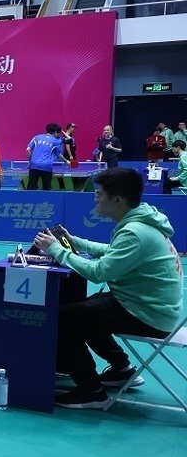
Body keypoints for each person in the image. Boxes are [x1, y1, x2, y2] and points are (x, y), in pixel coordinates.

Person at [32, 168, 183, 409]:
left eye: (99, 194)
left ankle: (91, 391)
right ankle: (122, 369)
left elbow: (98, 272)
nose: (95, 199)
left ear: (118, 200)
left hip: (150, 315)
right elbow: (113, 252)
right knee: (89, 308)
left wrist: (56, 250)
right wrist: (75, 242)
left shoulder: (135, 233)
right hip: (147, 306)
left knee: (62, 320)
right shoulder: (140, 222)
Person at [25, 123, 67, 190]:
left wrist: (30, 161)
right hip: (46, 166)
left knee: (31, 188)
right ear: (55, 132)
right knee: (47, 189)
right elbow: (59, 156)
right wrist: (67, 162)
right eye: (58, 133)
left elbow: (28, 150)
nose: (58, 135)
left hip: (34, 165)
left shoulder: (36, 137)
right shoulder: (56, 141)